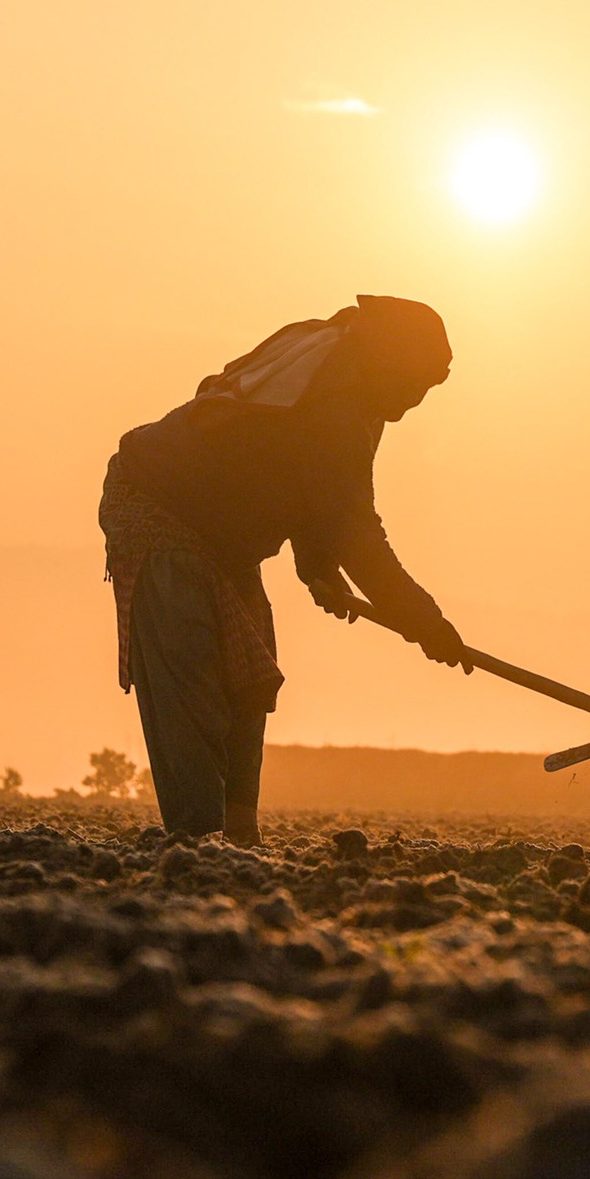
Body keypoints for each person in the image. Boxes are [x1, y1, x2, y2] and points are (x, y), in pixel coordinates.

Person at [99, 295, 466, 843]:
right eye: (415, 384)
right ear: (390, 359)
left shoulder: (343, 370)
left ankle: (239, 838)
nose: (414, 402)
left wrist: (317, 565)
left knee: (248, 677)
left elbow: (306, 484)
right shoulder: (337, 397)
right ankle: (200, 843)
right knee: (190, 676)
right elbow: (355, 531)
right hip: (159, 507)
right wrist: (426, 623)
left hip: (226, 536)